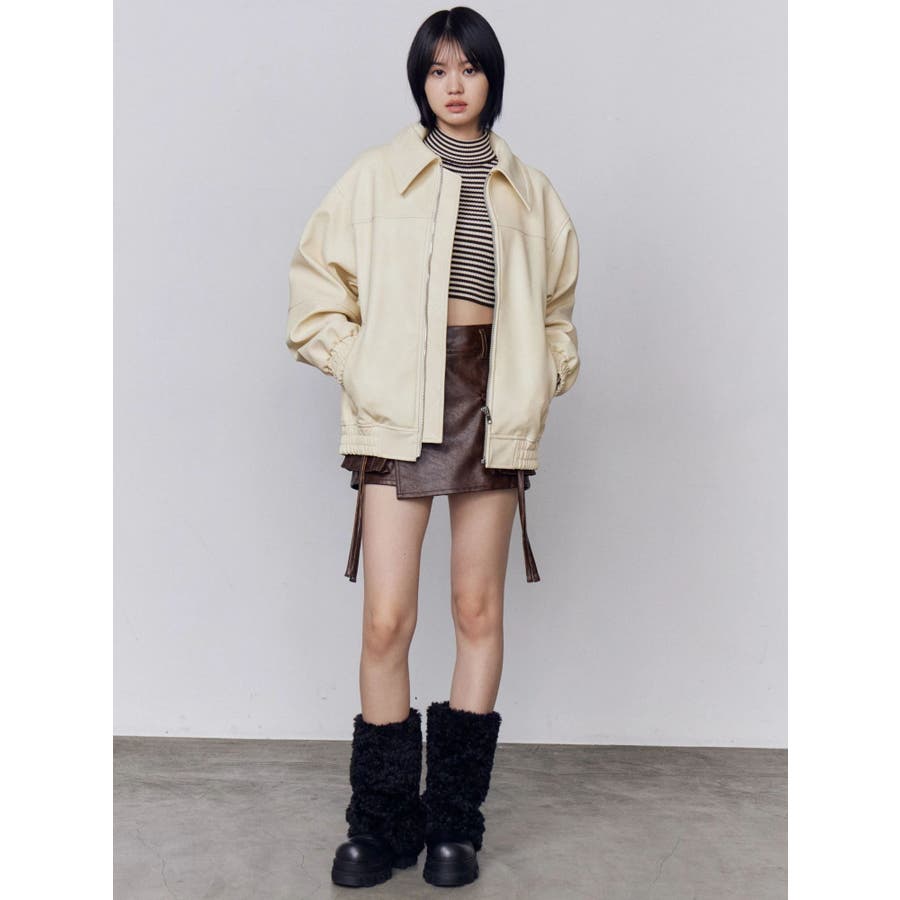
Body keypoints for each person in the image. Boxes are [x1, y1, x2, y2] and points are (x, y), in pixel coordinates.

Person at [285, 7, 580, 889]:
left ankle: (453, 822)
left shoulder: (531, 190)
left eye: (470, 69)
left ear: (492, 79)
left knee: (477, 610)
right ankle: (381, 826)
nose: (454, 85)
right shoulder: (376, 176)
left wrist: (540, 376)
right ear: (421, 81)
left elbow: (557, 312)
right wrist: (363, 367)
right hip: (397, 408)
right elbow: (315, 296)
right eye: (438, 70)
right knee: (387, 618)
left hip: (491, 404)